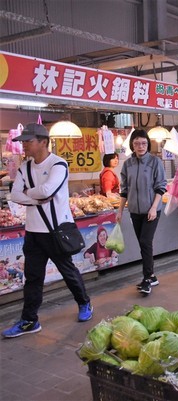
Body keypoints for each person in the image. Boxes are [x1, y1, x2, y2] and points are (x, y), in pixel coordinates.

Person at [2, 123, 93, 338]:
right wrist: (36, 200)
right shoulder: (25, 167)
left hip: (55, 230)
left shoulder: (58, 164)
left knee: (68, 271)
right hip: (33, 232)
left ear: (43, 142)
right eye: (22, 141)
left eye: (28, 141)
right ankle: (29, 320)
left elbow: (48, 190)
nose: (23, 145)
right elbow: (15, 195)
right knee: (33, 277)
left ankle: (84, 303)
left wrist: (29, 193)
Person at [116, 129, 167, 295]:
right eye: (137, 143)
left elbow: (160, 186)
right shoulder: (127, 164)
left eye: (143, 143)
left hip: (151, 210)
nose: (140, 146)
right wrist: (120, 210)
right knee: (143, 244)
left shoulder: (154, 162)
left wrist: (153, 207)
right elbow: (124, 189)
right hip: (135, 211)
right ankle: (152, 275)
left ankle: (147, 279)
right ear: (132, 145)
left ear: (148, 144)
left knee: (145, 241)